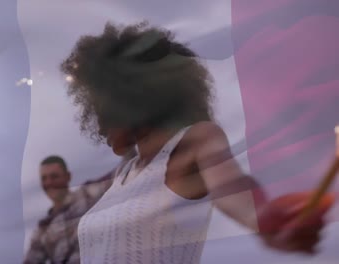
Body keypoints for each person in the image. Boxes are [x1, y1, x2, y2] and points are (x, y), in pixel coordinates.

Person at [59, 21, 335, 263]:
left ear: (132, 99)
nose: (99, 123)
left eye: (103, 107)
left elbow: (233, 190)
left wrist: (265, 219)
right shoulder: (124, 173)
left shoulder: (195, 141)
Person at [24, 153, 135, 264]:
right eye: (44, 178)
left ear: (68, 176)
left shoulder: (87, 195)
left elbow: (124, 172)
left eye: (54, 176)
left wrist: (130, 148)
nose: (49, 183)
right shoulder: (43, 229)